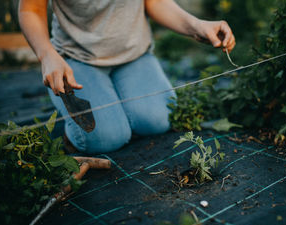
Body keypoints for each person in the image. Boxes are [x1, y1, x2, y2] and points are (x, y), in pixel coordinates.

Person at [18, 0, 236, 154]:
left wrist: (196, 25)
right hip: (75, 60)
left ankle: (114, 102)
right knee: (107, 138)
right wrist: (47, 55)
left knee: (159, 121)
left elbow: (154, 2)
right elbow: (31, 9)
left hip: (134, 56)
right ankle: (76, 133)